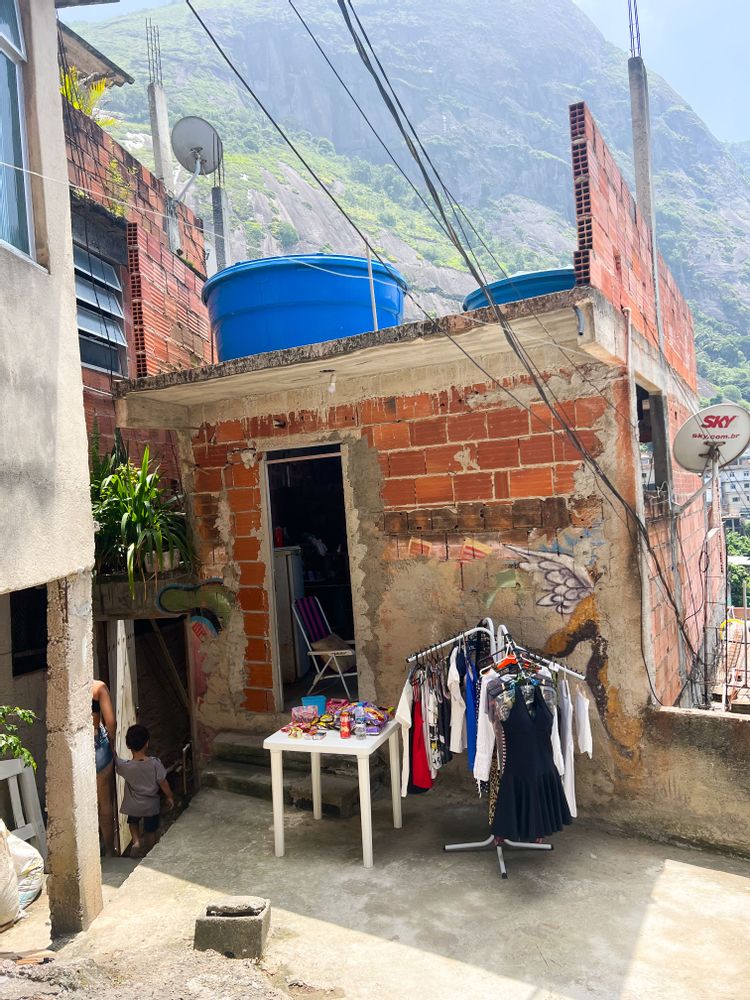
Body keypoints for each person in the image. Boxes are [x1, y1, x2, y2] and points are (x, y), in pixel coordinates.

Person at [114, 724, 174, 857]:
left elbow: (116, 761)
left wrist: (111, 745)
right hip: (150, 806)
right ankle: (150, 851)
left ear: (128, 746)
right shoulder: (155, 763)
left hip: (134, 806)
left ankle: (135, 841)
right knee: (150, 831)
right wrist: (170, 797)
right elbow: (163, 782)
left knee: (132, 822)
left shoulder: (126, 767)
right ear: (147, 743)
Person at [92, 679, 116, 857]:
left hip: (77, 746)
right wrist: (113, 745)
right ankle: (109, 851)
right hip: (96, 745)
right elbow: (111, 723)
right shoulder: (97, 688)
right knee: (104, 801)